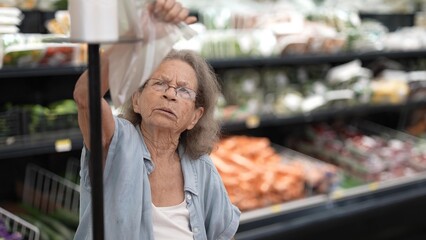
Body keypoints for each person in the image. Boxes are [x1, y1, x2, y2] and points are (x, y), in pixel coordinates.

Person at [72, 0, 241, 239]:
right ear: (137, 99)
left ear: (195, 117)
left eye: (183, 90)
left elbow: (225, 234)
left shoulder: (201, 167)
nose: (170, 94)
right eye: (160, 83)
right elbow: (84, 97)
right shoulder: (118, 144)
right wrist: (138, 34)